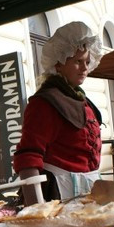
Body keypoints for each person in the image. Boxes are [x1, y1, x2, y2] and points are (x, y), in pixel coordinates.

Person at [13, 21, 103, 206]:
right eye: (78, 61)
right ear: (58, 64)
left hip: (89, 192)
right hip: (57, 195)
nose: (85, 68)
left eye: (87, 62)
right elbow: (29, 156)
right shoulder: (45, 103)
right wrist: (36, 209)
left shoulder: (83, 100)